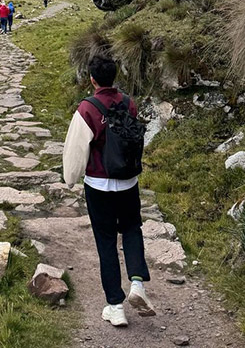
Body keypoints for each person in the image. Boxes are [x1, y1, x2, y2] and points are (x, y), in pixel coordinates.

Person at [62, 54, 155, 328]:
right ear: (115, 76)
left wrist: (70, 179)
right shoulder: (129, 104)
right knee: (131, 229)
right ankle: (137, 283)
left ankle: (115, 306)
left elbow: (77, 150)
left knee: (106, 243)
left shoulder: (87, 109)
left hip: (99, 184)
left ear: (92, 79)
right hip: (128, 182)